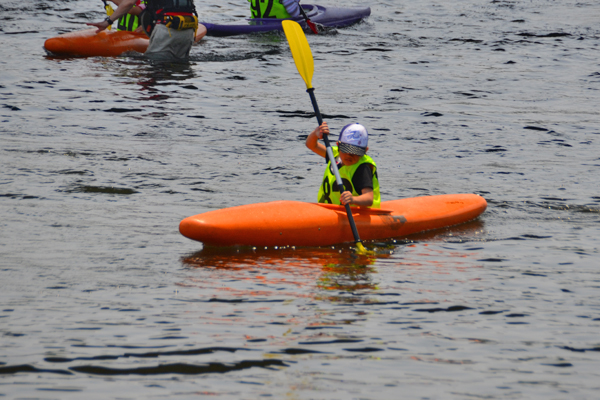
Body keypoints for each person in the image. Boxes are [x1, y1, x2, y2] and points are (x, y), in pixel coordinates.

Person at [88, 0, 205, 61]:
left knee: (155, 67)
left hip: (167, 29)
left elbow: (129, 3)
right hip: (189, 29)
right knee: (178, 69)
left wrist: (107, 22)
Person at [306, 121, 380, 208]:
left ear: (365, 151)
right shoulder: (334, 154)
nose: (349, 155)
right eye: (345, 149)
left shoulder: (363, 168)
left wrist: (353, 199)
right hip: (330, 209)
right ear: (338, 145)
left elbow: (369, 198)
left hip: (359, 214)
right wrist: (315, 134)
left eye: (355, 152)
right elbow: (311, 145)